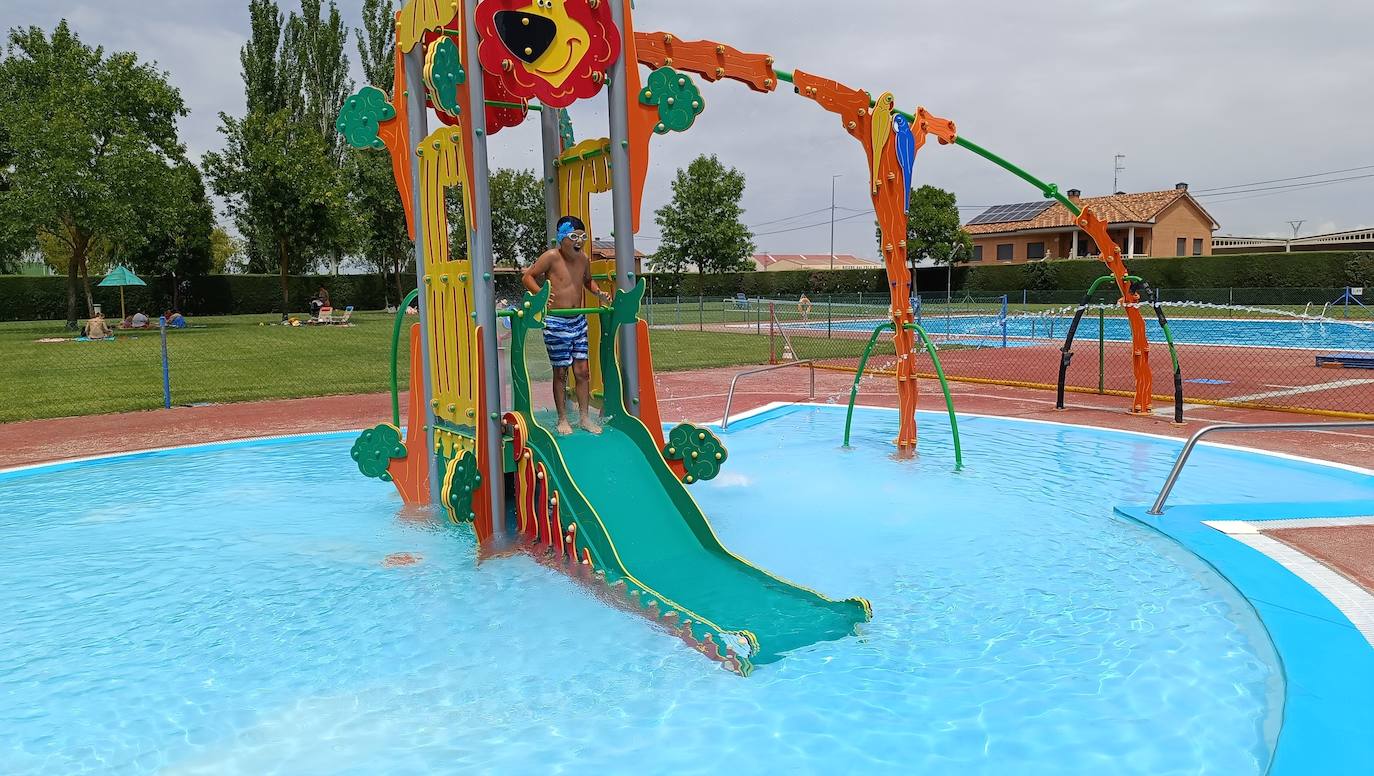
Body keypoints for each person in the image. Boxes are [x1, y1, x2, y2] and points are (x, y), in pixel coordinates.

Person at [522, 215, 612, 436]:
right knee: (561, 372)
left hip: (578, 320)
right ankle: (563, 418)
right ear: (561, 238)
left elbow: (587, 280)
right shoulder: (551, 257)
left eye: (582, 237)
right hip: (555, 321)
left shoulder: (583, 260)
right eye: (573, 236)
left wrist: (598, 292)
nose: (578, 241)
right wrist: (541, 294)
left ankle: (584, 418)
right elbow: (528, 277)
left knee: (583, 372)